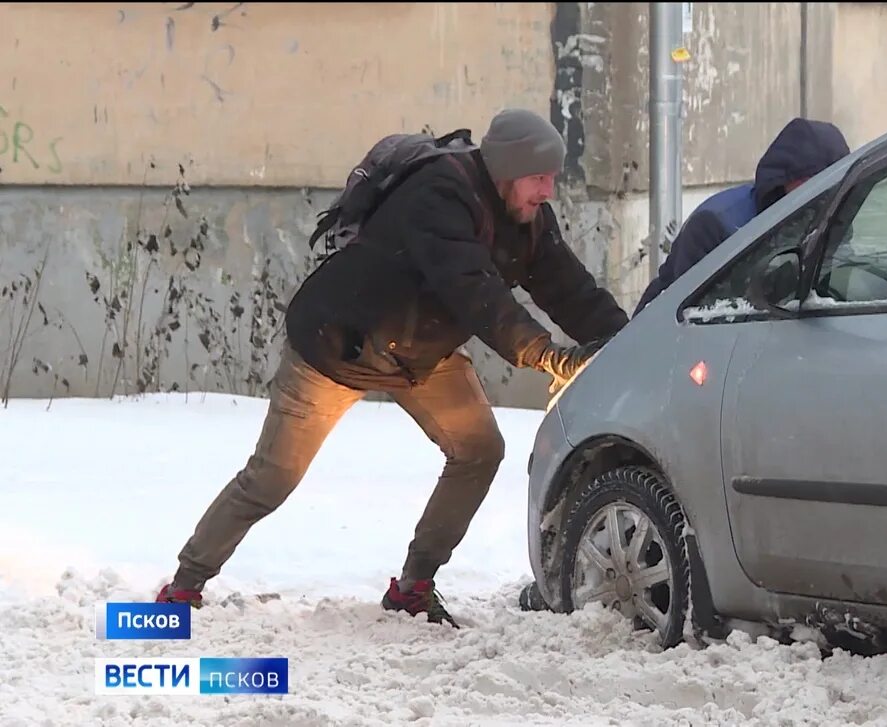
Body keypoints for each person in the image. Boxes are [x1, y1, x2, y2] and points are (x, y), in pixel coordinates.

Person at [155, 109, 629, 627]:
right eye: (540, 178)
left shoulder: (527, 218)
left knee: (478, 450)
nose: (548, 191)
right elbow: (474, 290)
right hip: (338, 347)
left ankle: (414, 585)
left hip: (418, 354)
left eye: (552, 178)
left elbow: (570, 288)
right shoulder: (439, 195)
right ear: (507, 170)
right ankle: (185, 584)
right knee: (272, 478)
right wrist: (547, 355)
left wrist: (631, 341)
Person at [632, 117, 850, 314]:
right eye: (815, 182)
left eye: (832, 184)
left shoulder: (833, 220)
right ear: (788, 177)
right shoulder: (718, 224)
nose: (822, 192)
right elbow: (687, 317)